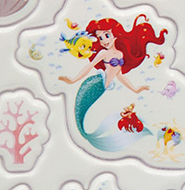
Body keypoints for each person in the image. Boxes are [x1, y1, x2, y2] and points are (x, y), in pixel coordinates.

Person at [58, 15, 166, 152]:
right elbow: (89, 66)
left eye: (106, 35)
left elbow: (119, 75)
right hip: (95, 84)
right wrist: (73, 80)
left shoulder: (120, 54)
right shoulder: (103, 53)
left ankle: (88, 136)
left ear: (115, 34)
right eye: (100, 38)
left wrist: (135, 89)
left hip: (102, 86)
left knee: (84, 114)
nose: (103, 41)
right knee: (81, 112)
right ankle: (83, 135)